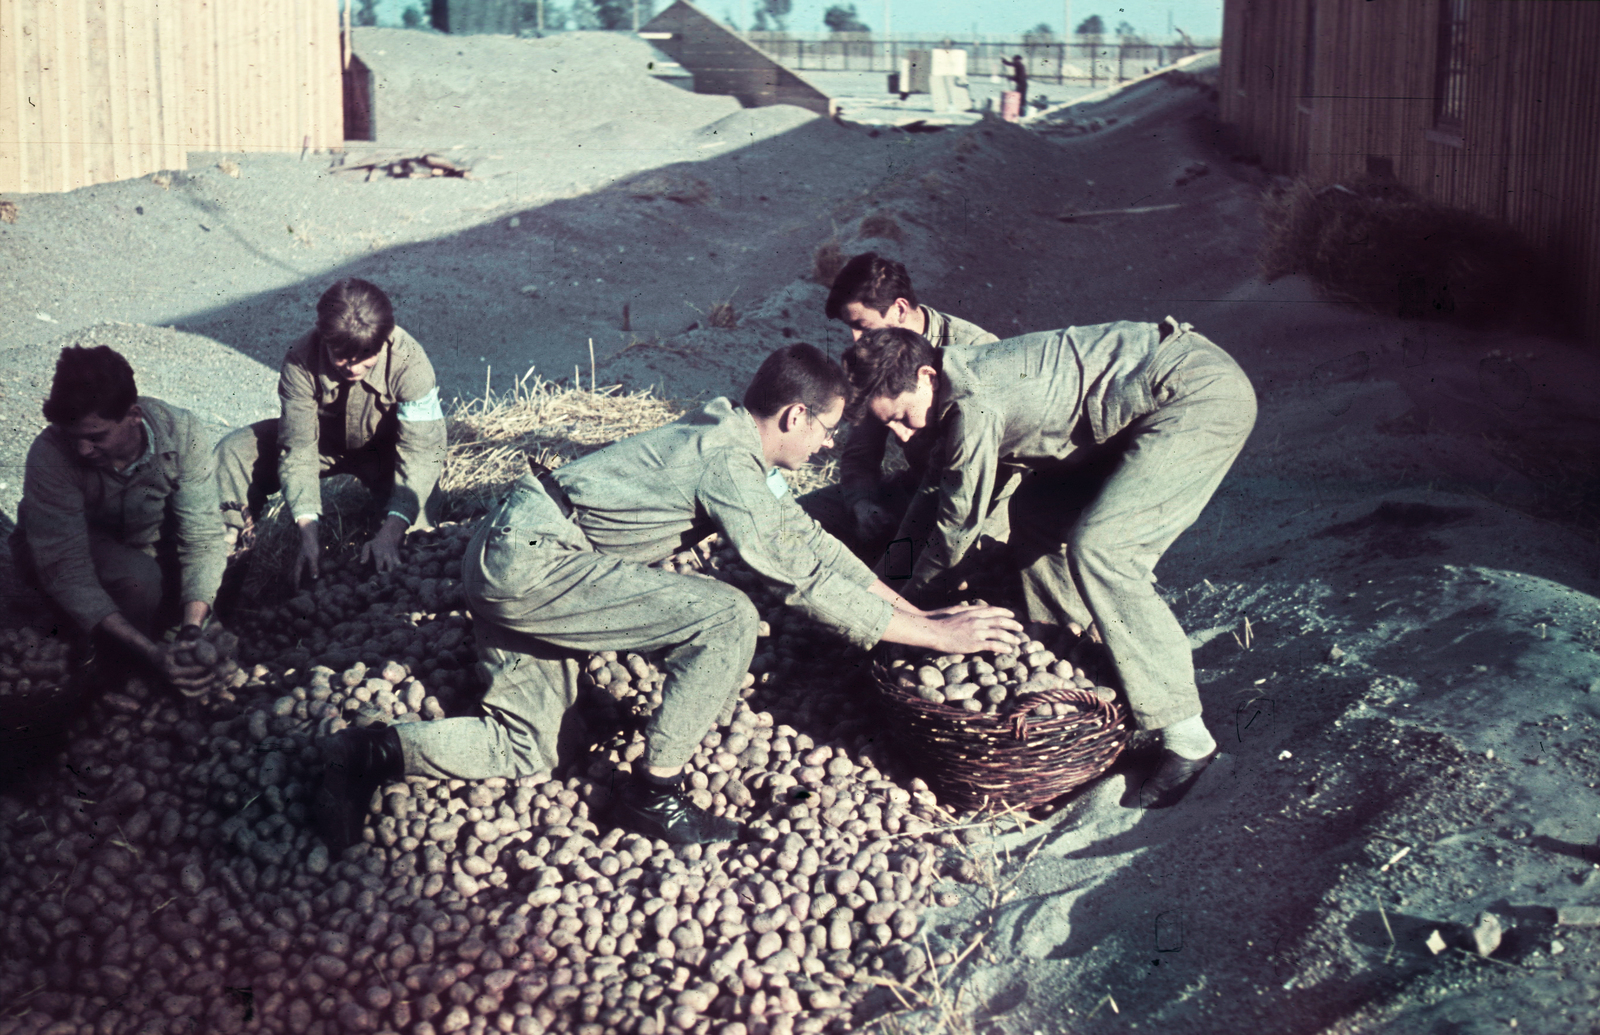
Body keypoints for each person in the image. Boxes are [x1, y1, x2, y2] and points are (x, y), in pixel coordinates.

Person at [314, 344, 1023, 849]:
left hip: (521, 555)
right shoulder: (729, 462)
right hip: (534, 565)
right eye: (828, 431)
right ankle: (655, 790)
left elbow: (807, 543)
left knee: (525, 750)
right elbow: (797, 580)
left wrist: (917, 614)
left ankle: (365, 755)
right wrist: (935, 641)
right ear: (794, 416)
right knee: (727, 615)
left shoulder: (735, 438)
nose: (829, 449)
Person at [841, 318, 1257, 809]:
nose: (900, 434)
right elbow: (933, 495)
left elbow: (955, 530)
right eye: (886, 423)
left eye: (903, 417)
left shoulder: (974, 407)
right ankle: (1073, 655)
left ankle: (1188, 737)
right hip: (1132, 408)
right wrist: (885, 583)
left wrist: (907, 609)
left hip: (1194, 393)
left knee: (1104, 549)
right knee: (1035, 513)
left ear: (928, 378)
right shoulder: (948, 395)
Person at [10, 346, 226, 694]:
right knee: (138, 581)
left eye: (96, 437)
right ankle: (104, 659)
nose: (83, 450)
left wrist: (191, 630)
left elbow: (202, 538)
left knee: (203, 609)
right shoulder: (48, 454)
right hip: (63, 552)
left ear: (134, 416)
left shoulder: (182, 433)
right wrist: (148, 653)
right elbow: (66, 566)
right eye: (73, 436)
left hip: (143, 546)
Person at [214, 278, 445, 585]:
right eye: (342, 357)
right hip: (322, 445)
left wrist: (392, 530)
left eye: (365, 358)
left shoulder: (410, 362)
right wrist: (308, 534)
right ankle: (217, 598)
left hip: (387, 454)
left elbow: (422, 454)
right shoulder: (300, 359)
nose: (353, 367)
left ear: (385, 338)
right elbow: (298, 449)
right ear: (323, 336)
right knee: (234, 453)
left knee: (418, 542)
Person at [801, 252, 999, 561]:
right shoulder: (869, 357)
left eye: (861, 325)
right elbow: (860, 453)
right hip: (917, 489)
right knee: (803, 517)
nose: (855, 339)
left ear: (900, 308)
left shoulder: (978, 351)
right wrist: (863, 504)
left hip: (977, 502)